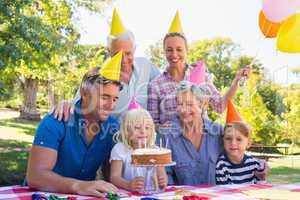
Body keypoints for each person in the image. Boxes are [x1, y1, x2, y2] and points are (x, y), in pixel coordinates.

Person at [26, 52, 123, 197]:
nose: (111, 105)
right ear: (84, 93)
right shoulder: (56, 120)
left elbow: (112, 174)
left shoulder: (113, 128)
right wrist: (79, 185)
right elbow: (35, 176)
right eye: (104, 97)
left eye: (115, 99)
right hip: (44, 195)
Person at [53, 8, 160, 121]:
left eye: (128, 53)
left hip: (143, 136)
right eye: (117, 55)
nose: (123, 60)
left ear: (134, 49)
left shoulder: (147, 67)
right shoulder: (99, 76)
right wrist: (66, 103)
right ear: (109, 52)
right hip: (110, 136)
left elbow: (167, 87)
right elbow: (80, 103)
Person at [147, 11, 251, 127]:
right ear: (164, 52)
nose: (174, 54)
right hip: (171, 141)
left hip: (199, 139)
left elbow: (219, 106)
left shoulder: (201, 76)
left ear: (187, 51)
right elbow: (152, 124)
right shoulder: (155, 85)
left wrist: (235, 82)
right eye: (169, 50)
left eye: (179, 49)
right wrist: (162, 127)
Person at [160, 81, 268, 185]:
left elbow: (236, 156)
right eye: (180, 104)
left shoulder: (219, 133)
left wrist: (261, 165)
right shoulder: (167, 136)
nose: (183, 109)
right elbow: (165, 175)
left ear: (202, 105)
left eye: (189, 104)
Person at [110, 100, 167, 192]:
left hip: (151, 193)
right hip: (127, 195)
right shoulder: (120, 149)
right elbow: (114, 177)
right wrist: (128, 185)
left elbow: (162, 174)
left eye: (147, 128)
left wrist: (163, 180)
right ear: (127, 131)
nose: (143, 131)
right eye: (137, 127)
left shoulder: (155, 150)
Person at [215, 102, 265, 185]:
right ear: (223, 141)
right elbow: (225, 193)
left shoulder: (255, 165)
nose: (233, 143)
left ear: (248, 143)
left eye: (239, 139)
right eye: (228, 138)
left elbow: (260, 188)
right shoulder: (221, 166)